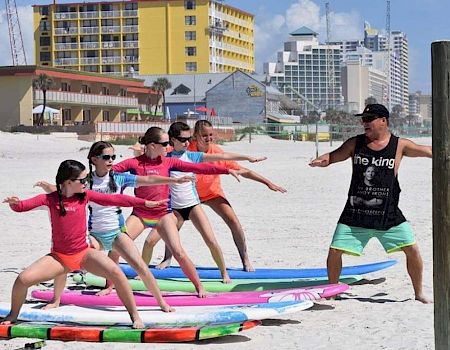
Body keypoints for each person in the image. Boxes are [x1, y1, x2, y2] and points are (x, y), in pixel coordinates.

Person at [1, 160, 169, 327]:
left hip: (84, 254)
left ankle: (135, 316)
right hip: (59, 258)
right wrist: (15, 205)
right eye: (82, 180)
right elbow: (23, 206)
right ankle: (13, 315)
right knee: (22, 280)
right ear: (68, 182)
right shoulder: (49, 199)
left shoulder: (85, 196)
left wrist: (144, 203)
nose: (86, 183)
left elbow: (114, 199)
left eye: (86, 179)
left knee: (117, 274)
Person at [35, 141, 191, 306]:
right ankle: (56, 299)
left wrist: (175, 181)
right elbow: (62, 191)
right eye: (106, 157)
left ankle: (161, 302)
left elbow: (149, 179)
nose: (111, 160)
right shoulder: (85, 181)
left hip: (116, 233)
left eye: (113, 157)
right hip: (95, 235)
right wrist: (47, 186)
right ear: (94, 159)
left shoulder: (118, 177)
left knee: (140, 266)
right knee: (65, 259)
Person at [309, 103, 432, 304]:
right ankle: (332, 290)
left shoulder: (399, 145)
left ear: (384, 121)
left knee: (412, 250)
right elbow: (334, 156)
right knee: (335, 251)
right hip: (356, 212)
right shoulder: (355, 143)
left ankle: (418, 293)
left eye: (369, 119)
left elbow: (426, 150)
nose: (364, 123)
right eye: (363, 119)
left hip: (388, 213)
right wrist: (322, 160)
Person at [109, 127, 244, 297]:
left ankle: (199, 287)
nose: (168, 147)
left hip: (163, 215)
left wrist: (226, 170)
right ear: (151, 146)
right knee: (115, 247)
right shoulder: (133, 163)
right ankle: (109, 285)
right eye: (164, 144)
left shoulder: (168, 162)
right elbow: (110, 171)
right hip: (140, 215)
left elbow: (201, 168)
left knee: (179, 252)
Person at [141, 122, 266, 282]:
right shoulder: (165, 158)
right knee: (150, 241)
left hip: (193, 205)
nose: (187, 143)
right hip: (174, 209)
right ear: (172, 139)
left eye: (188, 139)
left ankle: (224, 273)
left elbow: (222, 157)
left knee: (211, 240)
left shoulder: (192, 156)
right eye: (182, 139)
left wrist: (247, 157)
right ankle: (144, 271)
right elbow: (146, 161)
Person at [186, 120, 287, 272]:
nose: (208, 138)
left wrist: (268, 183)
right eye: (204, 135)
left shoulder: (217, 152)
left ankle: (245, 260)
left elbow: (243, 171)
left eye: (211, 135)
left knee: (234, 221)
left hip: (212, 193)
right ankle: (167, 259)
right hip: (190, 195)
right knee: (174, 223)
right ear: (195, 135)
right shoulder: (187, 150)